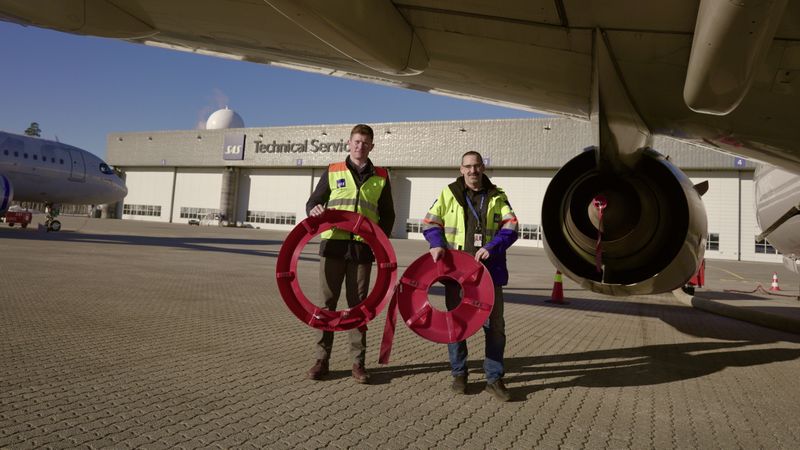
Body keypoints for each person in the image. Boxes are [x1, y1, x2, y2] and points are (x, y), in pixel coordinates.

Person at [422, 151, 518, 401]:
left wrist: (491, 248)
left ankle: (494, 379)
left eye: (477, 166)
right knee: (456, 326)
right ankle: (459, 374)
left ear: (483, 167)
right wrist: (436, 243)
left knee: (495, 328)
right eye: (468, 167)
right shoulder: (448, 193)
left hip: (489, 274)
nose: (473, 171)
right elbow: (431, 222)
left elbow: (511, 226)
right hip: (457, 275)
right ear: (461, 169)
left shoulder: (498, 196)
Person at [305, 124, 395, 384]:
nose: (360, 146)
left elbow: (388, 215)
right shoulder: (333, 171)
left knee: (359, 308)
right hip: (333, 247)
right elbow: (313, 203)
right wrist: (314, 210)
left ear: (372, 146)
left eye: (365, 143)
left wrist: (380, 243)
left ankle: (358, 363)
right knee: (326, 306)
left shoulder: (381, 175)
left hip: (362, 251)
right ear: (348, 143)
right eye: (356, 142)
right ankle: (322, 360)